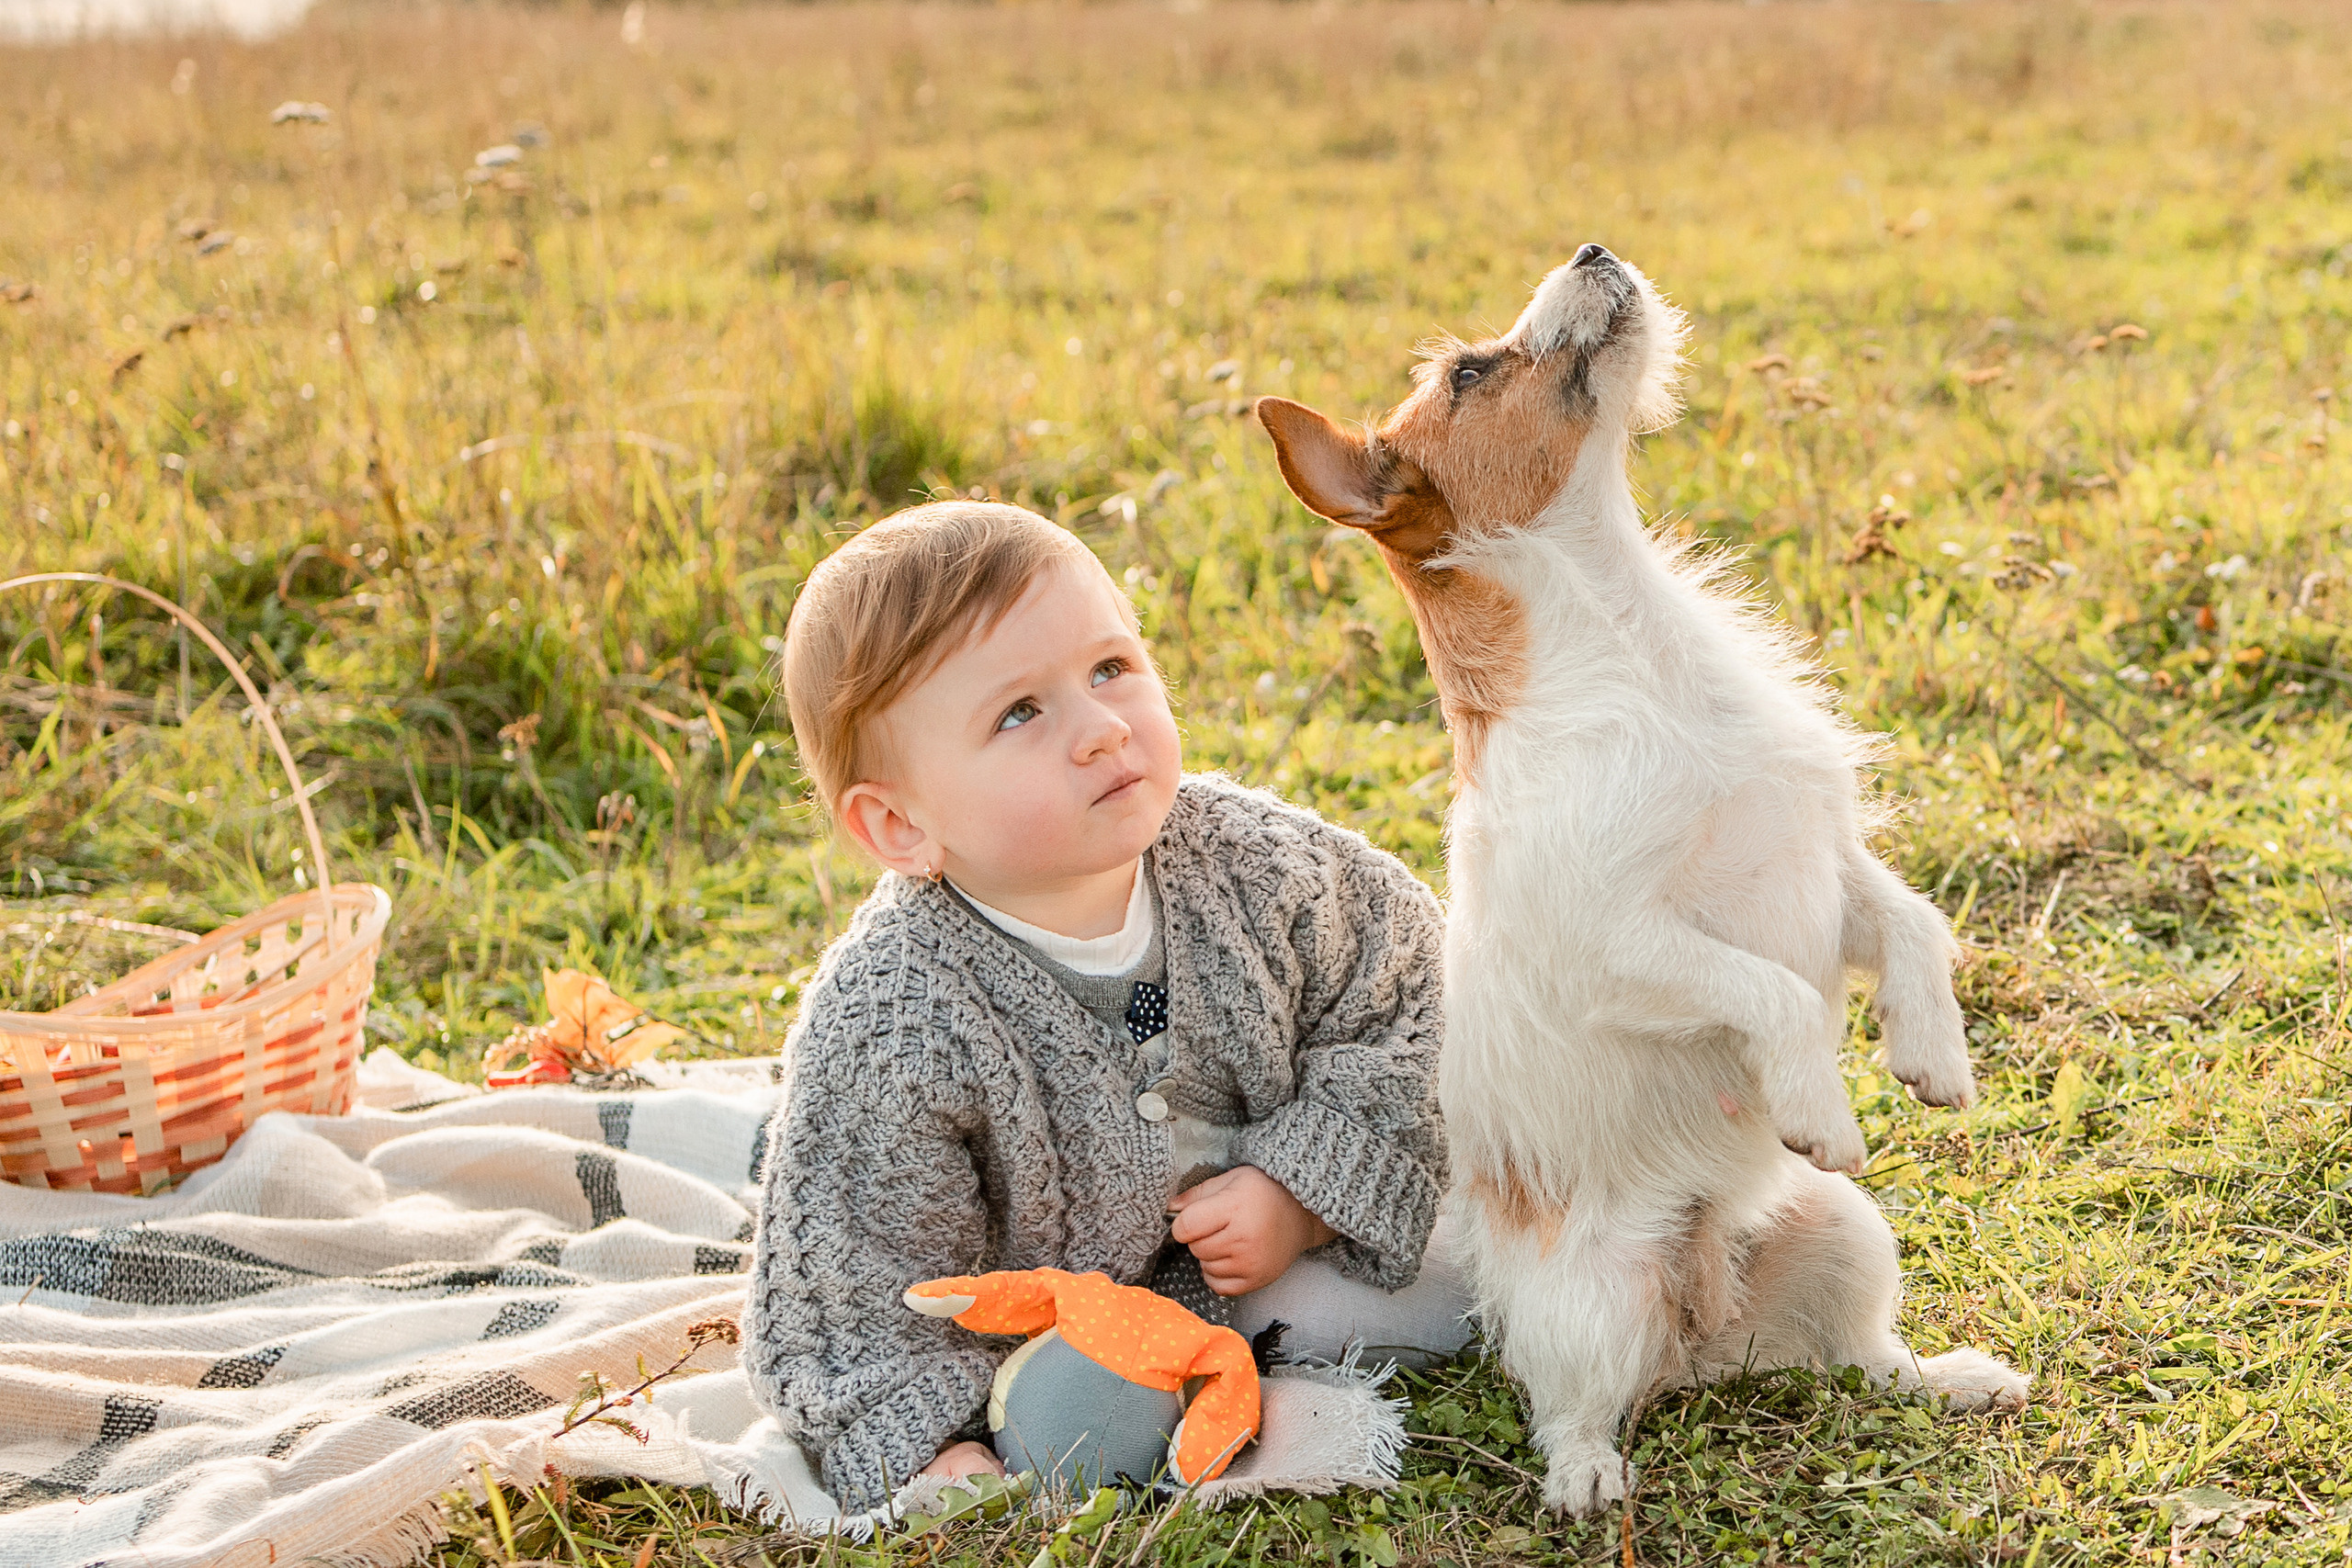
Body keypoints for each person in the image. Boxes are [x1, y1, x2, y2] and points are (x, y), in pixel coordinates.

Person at [745, 501, 1470, 1513]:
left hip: (1270, 1247)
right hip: (1071, 1317)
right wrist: (934, 1444)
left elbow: (1411, 988)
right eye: (1019, 713)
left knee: (1482, 1272)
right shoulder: (893, 1025)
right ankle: (1108, 1404)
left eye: (1110, 669)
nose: (1100, 730)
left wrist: (1302, 1191)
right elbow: (856, 1291)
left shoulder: (1255, 867)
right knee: (1065, 1434)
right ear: (900, 825)